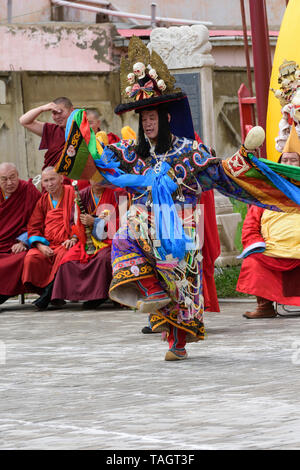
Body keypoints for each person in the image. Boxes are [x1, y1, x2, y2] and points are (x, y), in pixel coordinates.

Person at [56, 37, 300, 361]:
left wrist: (242, 156)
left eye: (153, 116)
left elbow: (219, 172)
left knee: (179, 285)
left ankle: (177, 342)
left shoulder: (189, 151)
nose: (148, 122)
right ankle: (148, 289)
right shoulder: (131, 154)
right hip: (145, 226)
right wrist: (78, 132)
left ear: (167, 118)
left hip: (183, 227)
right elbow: (99, 163)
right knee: (127, 229)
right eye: (143, 119)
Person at [236, 124, 300, 318]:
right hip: (273, 247)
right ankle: (265, 307)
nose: (288, 164)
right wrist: (255, 244)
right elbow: (251, 223)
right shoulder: (268, 191)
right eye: (285, 160)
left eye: (294, 161)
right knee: (254, 259)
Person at [51, 179, 126, 308]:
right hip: (87, 240)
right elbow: (74, 221)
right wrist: (76, 235)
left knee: (103, 259)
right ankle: (82, 295)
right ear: (89, 179)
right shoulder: (82, 194)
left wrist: (96, 222)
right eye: (94, 177)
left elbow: (123, 221)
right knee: (68, 260)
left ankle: (100, 296)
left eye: (101, 176)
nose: (98, 180)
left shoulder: (118, 193)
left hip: (110, 240)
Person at [22, 167, 76, 310]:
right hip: (48, 244)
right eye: (46, 181)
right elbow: (33, 226)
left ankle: (49, 295)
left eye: (52, 179)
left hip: (68, 242)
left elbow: (79, 218)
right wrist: (40, 246)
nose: (50, 183)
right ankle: (47, 293)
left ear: (61, 179)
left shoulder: (72, 193)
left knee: (64, 257)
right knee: (31, 258)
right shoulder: (43, 200)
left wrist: (74, 238)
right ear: (43, 184)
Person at [0, 162, 41, 305]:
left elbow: (39, 220)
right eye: (4, 179)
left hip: (17, 244)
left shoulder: (28, 191)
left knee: (20, 258)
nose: (9, 183)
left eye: (12, 177)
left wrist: (23, 241)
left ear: (18, 176)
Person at [19, 97, 74, 174]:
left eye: (60, 112)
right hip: (52, 180)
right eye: (54, 113)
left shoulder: (81, 130)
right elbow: (24, 121)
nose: (57, 117)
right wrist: (42, 108)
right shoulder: (52, 130)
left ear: (71, 110)